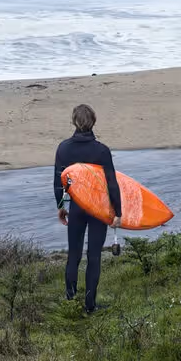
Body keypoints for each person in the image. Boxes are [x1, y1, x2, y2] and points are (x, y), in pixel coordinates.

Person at [53, 103, 122, 312]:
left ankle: (71, 300)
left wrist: (61, 205)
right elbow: (112, 183)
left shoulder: (63, 148)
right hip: (98, 210)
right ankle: (90, 306)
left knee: (74, 254)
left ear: (74, 121)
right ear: (94, 121)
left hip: (76, 208)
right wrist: (118, 213)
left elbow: (59, 182)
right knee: (94, 256)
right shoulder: (101, 151)